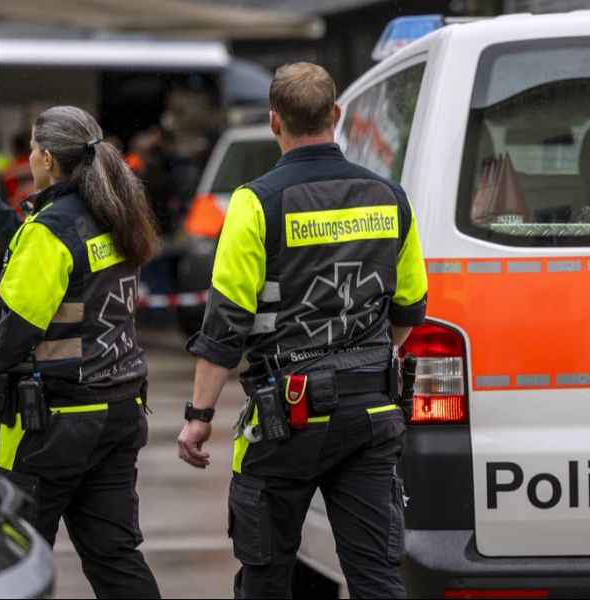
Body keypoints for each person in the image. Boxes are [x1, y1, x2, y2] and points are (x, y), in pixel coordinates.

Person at [176, 63, 428, 598]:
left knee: (267, 575)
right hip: (372, 413)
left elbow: (226, 325)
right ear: (335, 115)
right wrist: (368, 361)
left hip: (286, 417)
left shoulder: (255, 203)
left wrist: (198, 418)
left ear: (274, 121)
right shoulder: (390, 197)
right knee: (377, 577)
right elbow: (410, 306)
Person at [0, 105, 161, 599]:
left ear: (48, 159)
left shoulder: (52, 229)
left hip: (52, 423)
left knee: (12, 554)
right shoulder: (114, 216)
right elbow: (55, 262)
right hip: (117, 410)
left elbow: (17, 329)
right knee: (114, 556)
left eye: (32, 148)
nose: (28, 156)